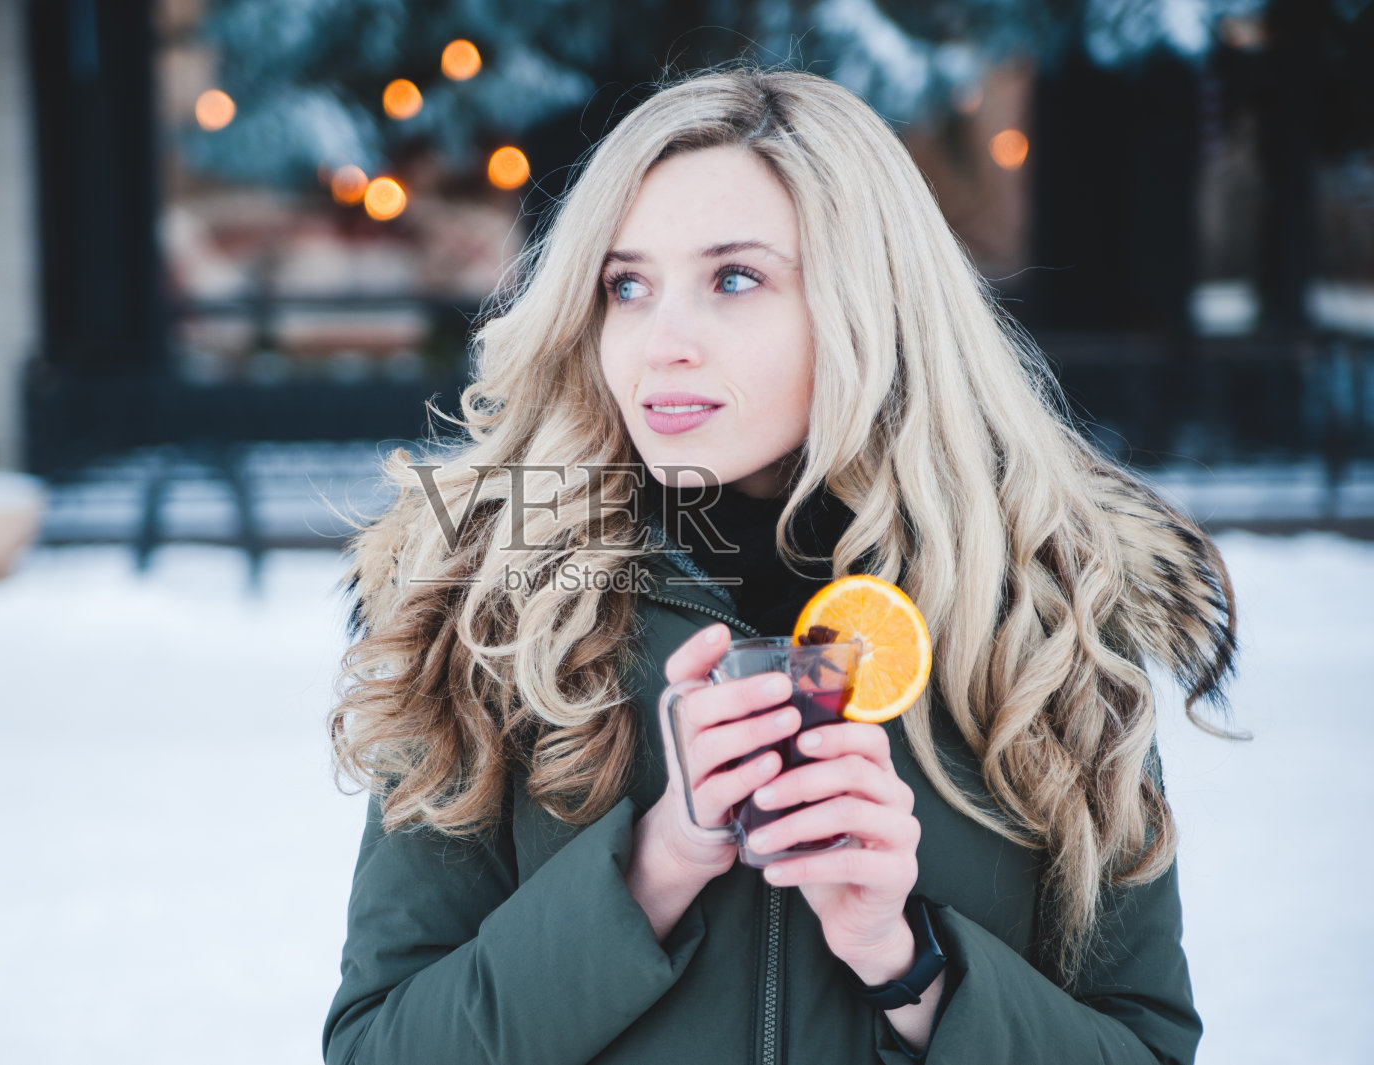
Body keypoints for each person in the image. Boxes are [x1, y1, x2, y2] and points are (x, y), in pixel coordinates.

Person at [323, 68, 1237, 1065]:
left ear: (869, 303)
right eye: (626, 285)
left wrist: (912, 968)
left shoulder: (1046, 617)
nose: (659, 343)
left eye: (734, 278)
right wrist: (653, 871)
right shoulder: (491, 608)